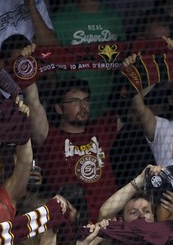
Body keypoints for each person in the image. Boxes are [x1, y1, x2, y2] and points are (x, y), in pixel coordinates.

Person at [28, 77, 121, 220]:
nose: (83, 106)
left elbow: (135, 105)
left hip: (109, 225)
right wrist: (27, 66)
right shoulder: (49, 136)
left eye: (86, 100)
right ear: (59, 108)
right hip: (71, 226)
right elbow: (33, 102)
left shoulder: (101, 129)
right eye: (74, 101)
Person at [51, 0, 125, 118]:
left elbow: (124, 61)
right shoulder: (60, 20)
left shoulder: (113, 18)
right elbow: (50, 67)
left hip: (106, 111)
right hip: (72, 113)